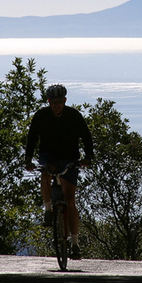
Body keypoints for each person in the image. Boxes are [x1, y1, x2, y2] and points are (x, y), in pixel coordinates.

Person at [25, 84, 93, 260]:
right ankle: (48, 209)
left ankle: (75, 243)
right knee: (45, 173)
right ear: (49, 102)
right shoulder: (41, 116)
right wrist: (28, 160)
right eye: (53, 102)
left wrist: (88, 158)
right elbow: (32, 138)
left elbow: (86, 136)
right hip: (49, 156)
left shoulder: (74, 116)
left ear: (65, 101)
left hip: (69, 157)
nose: (56, 105)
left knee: (70, 201)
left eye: (60, 102)